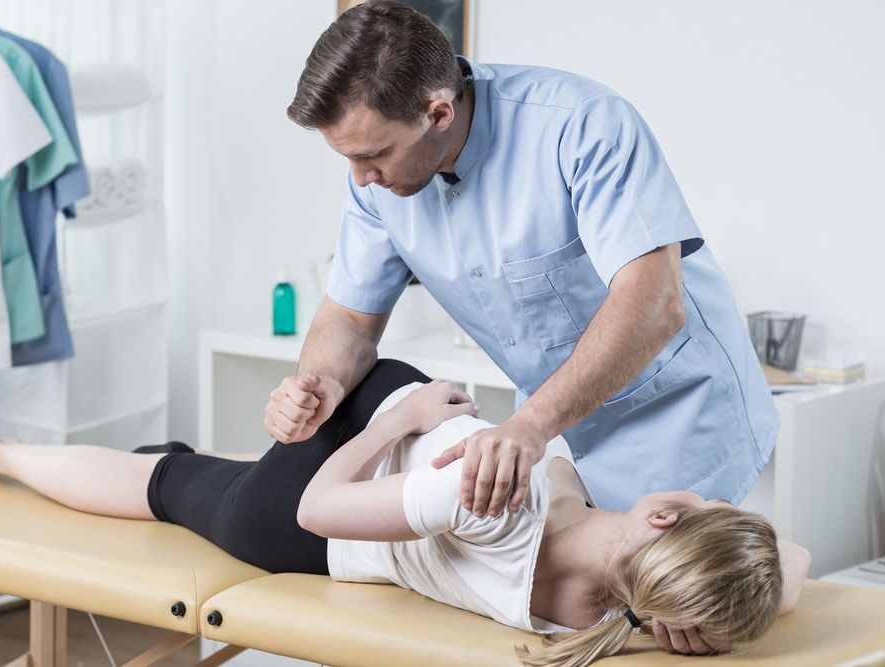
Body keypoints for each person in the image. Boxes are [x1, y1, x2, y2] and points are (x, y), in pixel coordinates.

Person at [269, 0, 779, 568]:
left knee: (689, 610)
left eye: (374, 155)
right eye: (349, 160)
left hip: (678, 418)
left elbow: (654, 304)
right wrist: (316, 386)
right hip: (554, 435)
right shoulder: (375, 184)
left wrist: (530, 427)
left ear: (438, 114)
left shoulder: (581, 126)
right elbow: (350, 318)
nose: (362, 178)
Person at [0, 360, 808, 666]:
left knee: (170, 489)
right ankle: (192, 465)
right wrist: (704, 623)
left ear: (664, 519)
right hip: (393, 459)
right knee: (212, 472)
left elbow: (321, 507)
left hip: (312, 510)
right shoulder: (612, 614)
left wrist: (394, 422)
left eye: (707, 507)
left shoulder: (485, 501)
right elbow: (789, 566)